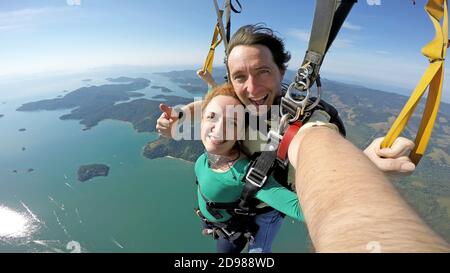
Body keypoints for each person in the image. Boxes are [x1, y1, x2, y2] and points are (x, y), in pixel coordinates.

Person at [287, 124, 450, 252]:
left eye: (264, 77)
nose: (259, 88)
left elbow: (313, 138)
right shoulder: (265, 117)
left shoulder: (276, 113)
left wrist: (354, 170)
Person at [195, 83, 303, 253]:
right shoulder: (211, 150)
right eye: (211, 117)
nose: (219, 128)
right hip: (214, 221)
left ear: (240, 133)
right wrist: (208, 81)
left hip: (230, 230)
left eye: (232, 122)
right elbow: (210, 99)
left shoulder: (246, 174)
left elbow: (299, 208)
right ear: (202, 121)